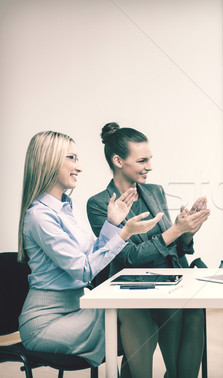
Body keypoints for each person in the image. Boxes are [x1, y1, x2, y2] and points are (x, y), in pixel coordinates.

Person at [17, 131, 161, 367]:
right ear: (49, 161)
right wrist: (124, 233)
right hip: (46, 322)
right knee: (134, 317)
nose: (79, 167)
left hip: (78, 308)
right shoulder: (39, 217)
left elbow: (91, 253)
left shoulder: (66, 208)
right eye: (72, 158)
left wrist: (112, 224)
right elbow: (84, 271)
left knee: (141, 315)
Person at [87, 123, 210, 378]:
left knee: (195, 315)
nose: (150, 166)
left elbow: (177, 250)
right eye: (142, 160)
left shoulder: (155, 191)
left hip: (171, 282)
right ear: (118, 161)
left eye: (150, 159)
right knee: (158, 320)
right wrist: (174, 231)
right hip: (131, 287)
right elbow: (129, 256)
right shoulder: (99, 204)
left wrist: (187, 231)